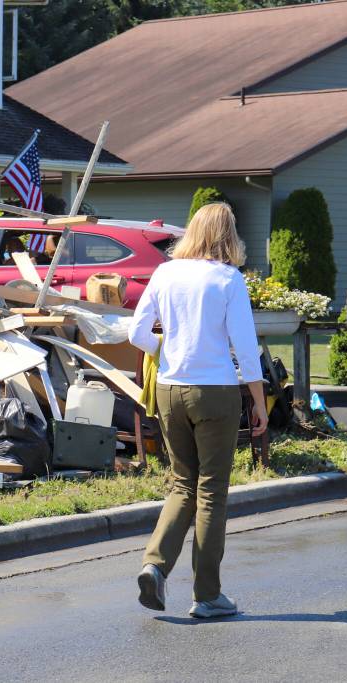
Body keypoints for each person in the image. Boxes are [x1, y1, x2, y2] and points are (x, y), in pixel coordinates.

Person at [128, 202, 267, 618]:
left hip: (170, 390)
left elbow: (136, 332)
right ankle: (207, 595)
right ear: (229, 236)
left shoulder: (165, 272)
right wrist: (258, 402)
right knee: (211, 493)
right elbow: (245, 348)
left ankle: (155, 564)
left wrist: (164, 350)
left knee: (180, 484)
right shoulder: (228, 279)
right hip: (215, 392)